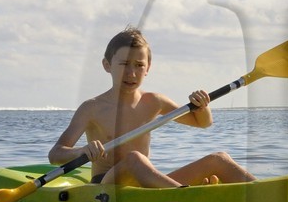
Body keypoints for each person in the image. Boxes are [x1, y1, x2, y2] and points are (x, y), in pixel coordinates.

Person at [49, 26, 256, 186]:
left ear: (148, 68)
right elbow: (56, 154)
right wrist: (82, 151)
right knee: (133, 159)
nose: (131, 73)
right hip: (107, 186)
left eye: (139, 65)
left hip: (145, 185)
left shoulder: (155, 101)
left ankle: (266, 193)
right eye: (124, 64)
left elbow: (203, 123)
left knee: (219, 159)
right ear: (107, 65)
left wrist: (202, 107)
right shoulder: (92, 107)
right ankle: (185, 196)